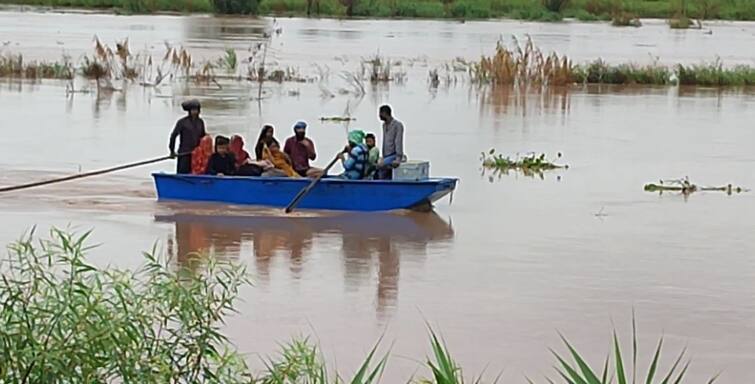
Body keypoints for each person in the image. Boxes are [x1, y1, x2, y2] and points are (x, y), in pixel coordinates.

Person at [169, 99, 206, 174]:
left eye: (196, 110)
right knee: (182, 173)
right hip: (184, 153)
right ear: (189, 111)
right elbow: (173, 136)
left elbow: (203, 137)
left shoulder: (200, 122)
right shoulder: (182, 122)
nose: (195, 112)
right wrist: (172, 151)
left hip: (197, 154)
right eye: (193, 110)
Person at [377, 105, 404, 180]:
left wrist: (398, 158)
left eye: (380, 114)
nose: (379, 116)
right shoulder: (384, 125)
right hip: (386, 155)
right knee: (380, 169)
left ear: (385, 113)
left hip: (394, 155)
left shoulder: (397, 125)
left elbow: (398, 141)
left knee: (380, 166)